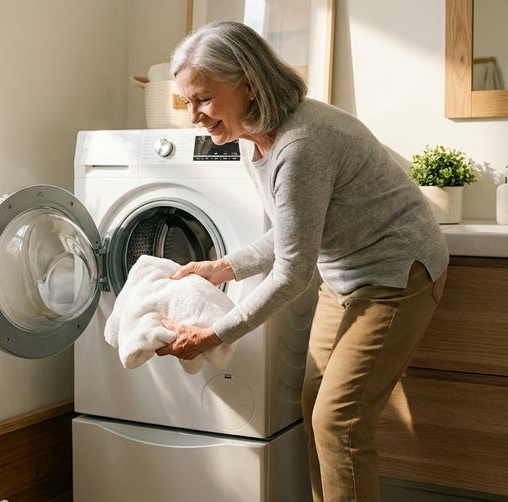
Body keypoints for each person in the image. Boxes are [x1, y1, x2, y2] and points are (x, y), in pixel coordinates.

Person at [154, 21, 448, 502]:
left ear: (248, 84)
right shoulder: (254, 142)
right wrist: (222, 267)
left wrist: (213, 334)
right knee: (316, 410)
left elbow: (292, 272)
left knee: (339, 424)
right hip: (343, 276)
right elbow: (290, 234)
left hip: (397, 273)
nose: (193, 117)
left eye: (203, 99)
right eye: (187, 101)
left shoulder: (301, 144)